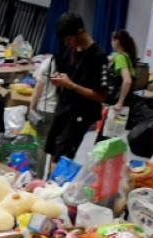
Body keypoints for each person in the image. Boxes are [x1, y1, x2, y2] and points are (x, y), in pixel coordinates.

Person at [44, 12, 108, 168]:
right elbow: (66, 75)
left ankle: (53, 188)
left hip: (81, 113)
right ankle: (45, 186)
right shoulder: (71, 52)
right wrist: (58, 79)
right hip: (64, 108)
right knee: (52, 150)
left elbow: (101, 96)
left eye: (69, 40)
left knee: (61, 156)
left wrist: (71, 85)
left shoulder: (98, 57)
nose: (67, 44)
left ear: (80, 32)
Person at [29, 55, 58, 177]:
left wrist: (31, 107)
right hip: (60, 111)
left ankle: (38, 177)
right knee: (55, 148)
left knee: (41, 146)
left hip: (45, 110)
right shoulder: (69, 62)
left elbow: (38, 89)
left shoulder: (47, 63)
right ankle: (51, 178)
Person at [110, 29, 137, 113]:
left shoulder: (120, 57)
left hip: (118, 98)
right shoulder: (125, 55)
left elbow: (127, 80)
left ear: (117, 41)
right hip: (128, 98)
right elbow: (110, 57)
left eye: (112, 39)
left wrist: (120, 102)